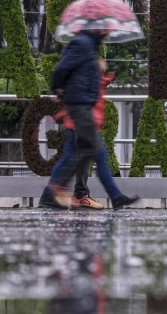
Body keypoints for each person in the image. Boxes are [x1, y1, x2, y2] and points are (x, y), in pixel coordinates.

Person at [40, 29, 139, 210]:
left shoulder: (89, 46)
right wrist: (58, 90)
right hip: (80, 107)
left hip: (83, 107)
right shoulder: (82, 44)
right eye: (105, 27)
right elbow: (61, 70)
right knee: (91, 152)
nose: (108, 30)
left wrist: (98, 71)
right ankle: (55, 190)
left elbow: (81, 76)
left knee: (85, 154)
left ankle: (50, 194)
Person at [40, 71, 114, 210]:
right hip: (80, 117)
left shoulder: (83, 59)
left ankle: (60, 194)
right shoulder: (81, 57)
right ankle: (66, 194)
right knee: (78, 156)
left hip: (81, 116)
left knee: (77, 156)